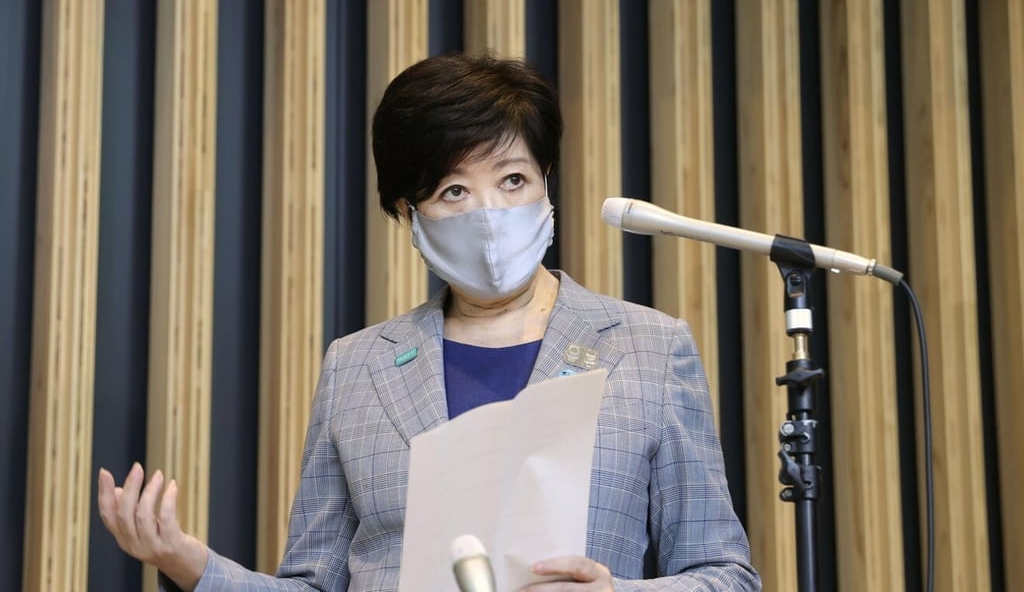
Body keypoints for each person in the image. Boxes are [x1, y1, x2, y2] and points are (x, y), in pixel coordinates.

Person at [98, 52, 761, 591]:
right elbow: (314, 586)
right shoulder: (355, 365)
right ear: (409, 216)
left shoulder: (649, 346)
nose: (490, 213)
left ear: (546, 183)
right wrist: (190, 562)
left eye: (512, 180)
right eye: (453, 191)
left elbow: (725, 574)